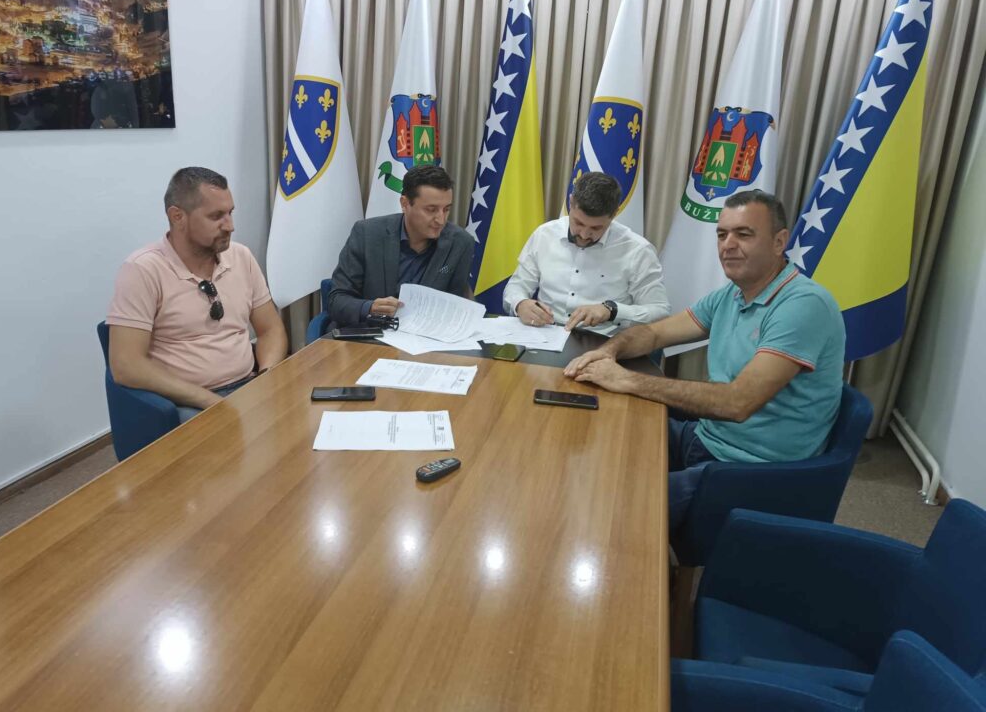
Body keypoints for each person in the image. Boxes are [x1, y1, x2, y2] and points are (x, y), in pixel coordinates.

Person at [564, 190, 845, 531]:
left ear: (779, 242)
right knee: (600, 437)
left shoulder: (803, 305)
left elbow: (737, 403)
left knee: (615, 507)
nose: (728, 245)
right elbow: (654, 334)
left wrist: (627, 379)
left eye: (743, 234)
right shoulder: (733, 294)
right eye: (722, 234)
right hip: (709, 438)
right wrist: (610, 351)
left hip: (754, 470)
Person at [107, 167, 288, 423]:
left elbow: (271, 329)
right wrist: (209, 401)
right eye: (216, 216)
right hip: (187, 402)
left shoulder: (241, 256)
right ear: (178, 217)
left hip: (248, 384)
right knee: (231, 439)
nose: (230, 226)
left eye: (230, 213)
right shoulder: (142, 270)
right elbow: (126, 365)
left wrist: (266, 377)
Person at [502, 171, 670, 334]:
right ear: (571, 203)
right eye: (578, 223)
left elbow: (660, 311)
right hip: (545, 335)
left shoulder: (638, 250)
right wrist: (520, 303)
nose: (584, 235)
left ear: (614, 214)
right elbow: (517, 286)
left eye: (596, 228)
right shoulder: (544, 235)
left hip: (603, 340)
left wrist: (612, 311)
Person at [328, 165, 475, 327]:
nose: (441, 219)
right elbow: (336, 300)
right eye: (431, 210)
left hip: (424, 336)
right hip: (368, 333)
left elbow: (455, 307)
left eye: (446, 209)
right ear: (405, 204)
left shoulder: (460, 243)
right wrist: (369, 307)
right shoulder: (366, 234)